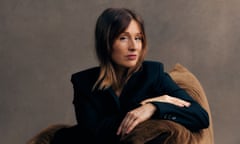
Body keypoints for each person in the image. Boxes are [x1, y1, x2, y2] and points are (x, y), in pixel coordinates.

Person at [51, 7, 209, 144]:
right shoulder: (84, 82)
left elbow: (200, 117)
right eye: (123, 38)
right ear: (106, 43)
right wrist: (140, 108)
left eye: (138, 38)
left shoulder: (154, 74)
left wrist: (153, 108)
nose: (133, 47)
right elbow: (94, 133)